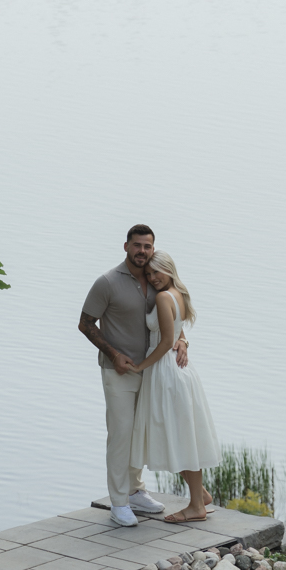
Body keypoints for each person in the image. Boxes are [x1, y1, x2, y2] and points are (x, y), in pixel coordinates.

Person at [79, 224, 189, 527]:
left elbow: (175, 321)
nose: (142, 251)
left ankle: (136, 489)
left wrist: (183, 341)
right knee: (120, 434)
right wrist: (114, 355)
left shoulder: (157, 279)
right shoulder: (107, 283)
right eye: (137, 245)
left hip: (153, 371)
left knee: (140, 431)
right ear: (126, 246)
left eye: (147, 246)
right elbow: (86, 324)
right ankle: (118, 502)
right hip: (119, 371)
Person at [129, 250, 220, 525]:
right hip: (177, 372)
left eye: (157, 272)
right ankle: (200, 495)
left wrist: (139, 367)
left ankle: (195, 507)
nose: (153, 278)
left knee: (176, 437)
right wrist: (184, 342)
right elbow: (177, 333)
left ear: (169, 269)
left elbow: (167, 341)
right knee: (176, 437)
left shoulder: (162, 297)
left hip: (166, 373)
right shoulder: (178, 294)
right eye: (149, 274)